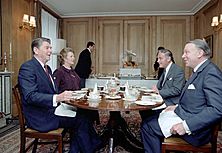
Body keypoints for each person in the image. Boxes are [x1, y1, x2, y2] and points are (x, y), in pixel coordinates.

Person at [18, 37, 101, 153]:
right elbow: (30, 96)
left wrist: (65, 96)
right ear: (36, 50)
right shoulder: (27, 68)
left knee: (83, 115)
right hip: (41, 117)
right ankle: (90, 148)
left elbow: (54, 90)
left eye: (51, 48)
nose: (50, 51)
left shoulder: (47, 68)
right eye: (47, 48)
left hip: (52, 110)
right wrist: (58, 98)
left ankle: (85, 147)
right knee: (80, 119)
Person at [141, 39, 222, 153]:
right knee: (149, 120)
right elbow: (197, 100)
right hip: (186, 115)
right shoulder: (201, 70)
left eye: (187, 52)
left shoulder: (211, 73)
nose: (183, 56)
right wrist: (177, 107)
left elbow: (217, 109)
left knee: (148, 126)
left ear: (200, 53)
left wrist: (186, 126)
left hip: (197, 130)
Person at [53, 47, 100, 124]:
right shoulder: (59, 72)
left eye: (73, 56)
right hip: (66, 104)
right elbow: (55, 90)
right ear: (65, 58)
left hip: (76, 101)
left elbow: (77, 86)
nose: (74, 58)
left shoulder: (72, 71)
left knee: (92, 110)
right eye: (71, 56)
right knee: (87, 114)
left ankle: (89, 132)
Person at [139, 49, 185, 121]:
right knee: (142, 107)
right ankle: (148, 126)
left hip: (170, 102)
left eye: (160, 58)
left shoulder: (178, 70)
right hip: (161, 99)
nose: (157, 61)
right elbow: (159, 87)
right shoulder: (165, 70)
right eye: (158, 58)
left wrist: (159, 92)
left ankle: (150, 126)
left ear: (168, 59)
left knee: (146, 110)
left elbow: (177, 90)